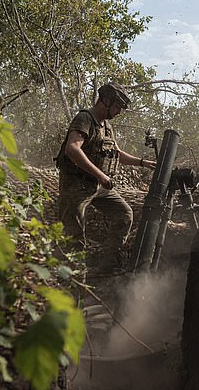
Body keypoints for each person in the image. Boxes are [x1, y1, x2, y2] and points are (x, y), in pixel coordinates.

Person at [55, 82, 156, 269]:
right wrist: (101, 175)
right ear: (106, 101)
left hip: (98, 187)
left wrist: (142, 162)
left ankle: (107, 265)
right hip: (76, 186)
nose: (119, 111)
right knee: (73, 236)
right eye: (117, 106)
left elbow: (117, 153)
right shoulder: (85, 118)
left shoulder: (107, 126)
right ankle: (72, 284)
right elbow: (72, 148)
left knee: (124, 214)